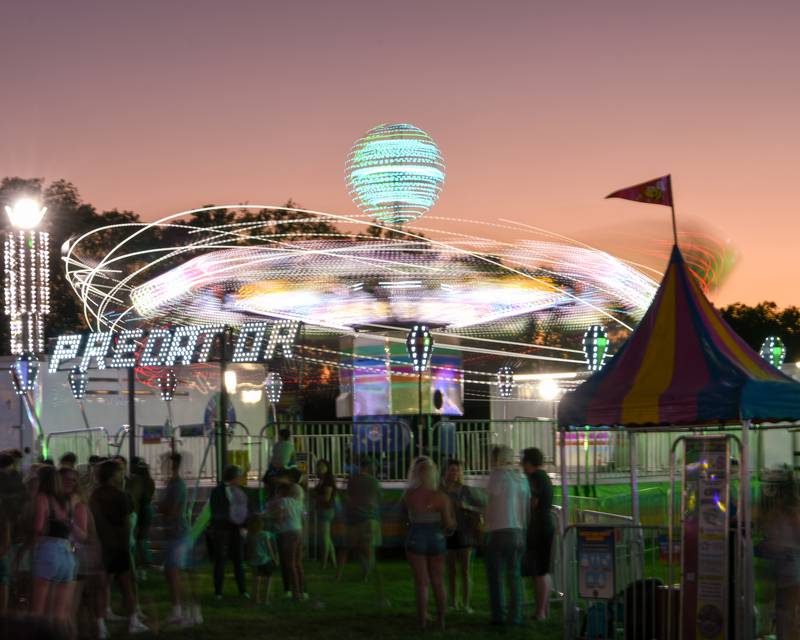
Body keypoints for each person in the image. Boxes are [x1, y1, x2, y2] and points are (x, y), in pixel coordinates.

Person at [91, 459, 148, 634]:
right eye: (119, 471)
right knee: (127, 585)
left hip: (102, 544)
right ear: (112, 475)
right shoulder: (121, 495)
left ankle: (100, 625)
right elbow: (126, 522)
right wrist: (125, 543)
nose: (122, 474)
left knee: (102, 587)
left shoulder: (95, 495)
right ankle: (133, 621)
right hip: (118, 545)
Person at [402, 457, 456, 631]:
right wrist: (451, 525)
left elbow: (405, 519)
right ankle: (441, 620)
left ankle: (422, 621)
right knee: (438, 581)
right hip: (436, 538)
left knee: (421, 582)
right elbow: (448, 525)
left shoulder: (409, 495)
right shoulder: (441, 497)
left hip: (416, 536)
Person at [30, 464, 82, 630]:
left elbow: (38, 528)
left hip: (49, 550)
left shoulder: (42, 498)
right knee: (60, 612)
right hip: (67, 554)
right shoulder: (65, 500)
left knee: (38, 610)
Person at [485, 445, 530, 627]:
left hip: (498, 531)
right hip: (518, 531)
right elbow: (525, 508)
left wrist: (485, 526)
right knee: (514, 576)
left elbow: (490, 505)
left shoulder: (497, 476)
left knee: (496, 576)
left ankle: (499, 616)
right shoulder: (521, 478)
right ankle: (516, 616)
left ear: (497, 458)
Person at [160, 453, 201, 626]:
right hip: (176, 533)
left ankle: (184, 612)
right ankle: (188, 611)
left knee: (175, 573)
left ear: (174, 465)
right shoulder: (173, 484)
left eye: (165, 463)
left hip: (178, 534)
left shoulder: (177, 485)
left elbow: (171, 510)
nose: (162, 466)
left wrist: (162, 506)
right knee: (175, 573)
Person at [442, 458, 483, 614]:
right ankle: (453, 602)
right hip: (448, 533)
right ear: (445, 472)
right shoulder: (442, 491)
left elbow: (480, 507)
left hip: (465, 533)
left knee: (465, 570)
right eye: (452, 470)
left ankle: (466, 603)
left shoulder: (466, 490)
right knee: (451, 570)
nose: (455, 473)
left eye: (457, 470)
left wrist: (468, 507)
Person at [336, 457, 383, 587]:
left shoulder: (352, 480)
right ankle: (367, 575)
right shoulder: (373, 481)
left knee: (347, 548)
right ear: (369, 467)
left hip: (353, 518)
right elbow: (378, 498)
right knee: (368, 549)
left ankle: (339, 575)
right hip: (369, 518)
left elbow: (346, 496)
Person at [521, 447, 555, 621]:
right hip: (546, 525)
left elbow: (532, 502)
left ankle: (540, 612)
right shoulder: (545, 477)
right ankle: (545, 609)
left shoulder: (535, 479)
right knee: (544, 569)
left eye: (523, 461)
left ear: (528, 462)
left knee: (538, 571)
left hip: (538, 527)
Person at [209, 464, 249, 599]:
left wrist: (243, 525)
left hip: (235, 530)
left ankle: (243, 590)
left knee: (238, 559)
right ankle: (218, 591)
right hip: (222, 529)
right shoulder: (217, 491)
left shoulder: (240, 491)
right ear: (234, 477)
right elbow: (215, 511)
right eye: (239, 477)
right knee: (220, 560)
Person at [270, 482, 306, 600]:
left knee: (290, 564)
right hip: (298, 531)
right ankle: (303, 591)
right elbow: (303, 517)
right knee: (297, 563)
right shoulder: (298, 503)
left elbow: (279, 517)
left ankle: (295, 594)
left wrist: (271, 518)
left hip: (288, 533)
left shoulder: (283, 502)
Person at [128, 457, 156, 580]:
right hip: (148, 509)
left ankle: (144, 564)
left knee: (140, 539)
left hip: (142, 510)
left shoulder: (137, 482)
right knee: (142, 539)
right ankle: (145, 565)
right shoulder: (149, 481)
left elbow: (136, 499)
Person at [245, 514, 277, 605]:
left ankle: (256, 598)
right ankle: (266, 599)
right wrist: (274, 559)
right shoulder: (265, 534)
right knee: (268, 580)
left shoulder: (249, 535)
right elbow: (269, 548)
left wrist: (248, 558)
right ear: (261, 524)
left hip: (255, 561)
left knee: (256, 581)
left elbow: (249, 549)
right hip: (266, 561)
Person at [312, 460, 337, 569]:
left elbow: (326, 497)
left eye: (322, 466)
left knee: (324, 537)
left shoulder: (328, 480)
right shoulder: (322, 480)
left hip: (326, 509)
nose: (319, 468)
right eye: (318, 466)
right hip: (323, 509)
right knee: (327, 537)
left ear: (327, 468)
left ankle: (324, 563)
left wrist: (315, 496)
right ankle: (334, 562)